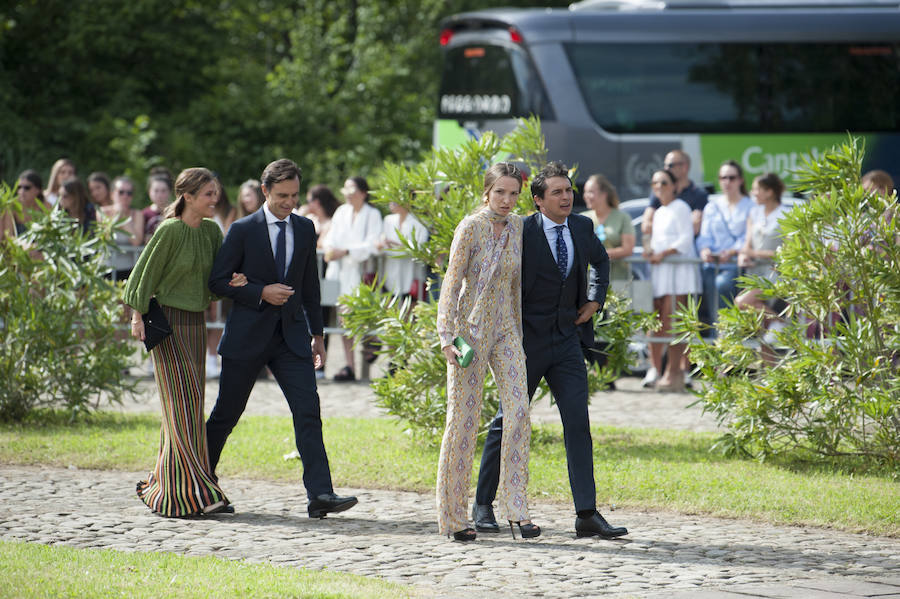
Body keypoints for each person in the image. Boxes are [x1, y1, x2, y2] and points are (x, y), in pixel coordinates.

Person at [473, 161, 628, 540]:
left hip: (568, 341)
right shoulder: (520, 230)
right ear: (538, 200)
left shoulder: (582, 226)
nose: (566, 197)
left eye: (568, 190)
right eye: (557, 192)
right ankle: (482, 505)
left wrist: (594, 300)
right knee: (507, 419)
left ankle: (587, 514)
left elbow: (601, 261)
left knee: (578, 422)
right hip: (524, 343)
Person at [206, 158, 358, 520]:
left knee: (308, 410)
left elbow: (310, 284)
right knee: (227, 413)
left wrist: (318, 335)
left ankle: (320, 493)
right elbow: (217, 281)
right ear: (264, 191)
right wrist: (260, 292)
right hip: (247, 336)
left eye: (293, 195)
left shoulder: (306, 229)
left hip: (292, 338)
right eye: (281, 196)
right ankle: (199, 483)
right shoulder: (242, 229)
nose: (289, 202)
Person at [124, 167, 245, 517]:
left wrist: (235, 280)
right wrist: (136, 317)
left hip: (195, 323)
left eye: (216, 193)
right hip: (166, 324)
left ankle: (168, 490)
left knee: (189, 408)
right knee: (181, 409)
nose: (215, 199)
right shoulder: (169, 230)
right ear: (188, 196)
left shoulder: (210, 231)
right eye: (208, 194)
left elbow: (216, 279)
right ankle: (195, 495)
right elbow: (140, 278)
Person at [436, 162, 536, 542]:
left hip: (507, 331)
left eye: (514, 193)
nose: (508, 200)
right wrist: (446, 335)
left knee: (519, 410)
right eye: (501, 193)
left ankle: (516, 509)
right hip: (467, 332)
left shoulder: (519, 227)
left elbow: (515, 287)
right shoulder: (471, 227)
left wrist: (520, 335)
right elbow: (451, 281)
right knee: (463, 420)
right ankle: (454, 518)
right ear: (487, 192)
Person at [642, 169, 701, 391]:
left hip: (681, 275)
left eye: (664, 183)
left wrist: (663, 254)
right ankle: (657, 370)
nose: (659, 187)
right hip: (661, 275)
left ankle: (674, 373)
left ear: (674, 186)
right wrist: (651, 253)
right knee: (658, 323)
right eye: (655, 183)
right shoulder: (658, 212)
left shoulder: (682, 207)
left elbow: (685, 241)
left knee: (675, 324)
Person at [322, 176, 382, 382]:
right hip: (340, 273)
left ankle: (373, 340)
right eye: (345, 190)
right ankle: (350, 365)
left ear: (363, 193)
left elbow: (374, 244)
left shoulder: (373, 214)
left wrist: (346, 251)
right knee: (343, 319)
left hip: (361, 272)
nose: (348, 194)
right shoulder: (341, 212)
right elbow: (331, 236)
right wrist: (331, 248)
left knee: (360, 316)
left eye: (352, 190)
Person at [736, 173, 790, 357]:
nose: (753, 193)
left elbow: (787, 251)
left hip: (775, 274)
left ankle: (781, 324)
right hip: (755, 272)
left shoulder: (785, 215)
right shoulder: (754, 213)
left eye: (757, 189)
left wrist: (753, 253)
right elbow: (747, 242)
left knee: (742, 302)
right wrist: (744, 255)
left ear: (769, 192)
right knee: (761, 329)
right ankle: (770, 372)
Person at [695, 160, 754, 330]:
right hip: (712, 264)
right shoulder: (712, 206)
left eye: (731, 177)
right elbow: (704, 235)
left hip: (736, 263)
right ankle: (719, 335)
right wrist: (705, 250)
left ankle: (729, 333)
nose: (727, 182)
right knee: (712, 300)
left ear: (741, 180)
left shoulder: (750, 205)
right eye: (723, 177)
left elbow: (748, 237)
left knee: (723, 284)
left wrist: (732, 251)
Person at [302, 184, 340, 379]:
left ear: (316, 202)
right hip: (308, 275)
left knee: (322, 320)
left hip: (324, 275)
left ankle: (320, 365)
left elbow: (322, 245)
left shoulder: (331, 223)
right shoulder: (308, 219)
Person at [642, 150, 708, 238]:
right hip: (662, 248)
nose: (666, 169)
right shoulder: (659, 191)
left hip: (687, 249)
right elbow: (646, 226)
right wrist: (680, 226)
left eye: (670, 165)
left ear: (685, 167)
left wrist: (659, 225)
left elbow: (694, 228)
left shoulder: (699, 195)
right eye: (664, 165)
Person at [581, 174, 635, 282]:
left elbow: (628, 249)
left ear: (604, 194)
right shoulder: (582, 218)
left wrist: (600, 255)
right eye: (585, 192)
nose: (586, 196)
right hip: (589, 281)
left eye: (591, 192)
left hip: (618, 280)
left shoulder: (622, 217)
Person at [376, 198, 429, 298]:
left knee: (411, 308)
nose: (391, 203)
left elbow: (421, 248)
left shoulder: (419, 221)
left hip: (412, 274)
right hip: (390, 275)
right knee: (392, 306)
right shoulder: (388, 220)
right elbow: (381, 243)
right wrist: (380, 245)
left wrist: (400, 246)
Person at [100, 176, 144, 281]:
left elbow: (136, 241)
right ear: (112, 194)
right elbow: (104, 238)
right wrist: (115, 217)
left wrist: (122, 217)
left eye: (129, 193)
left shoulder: (137, 214)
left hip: (129, 270)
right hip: (106, 269)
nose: (125, 196)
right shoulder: (102, 212)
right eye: (121, 192)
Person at [14, 170, 46, 235]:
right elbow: (8, 236)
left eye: (27, 188)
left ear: (38, 190)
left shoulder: (45, 207)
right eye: (19, 187)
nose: (22, 191)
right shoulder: (12, 207)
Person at [143, 174, 173, 238]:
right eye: (156, 191)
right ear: (149, 192)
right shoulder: (144, 214)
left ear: (169, 192)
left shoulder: (177, 212)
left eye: (163, 191)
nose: (159, 195)